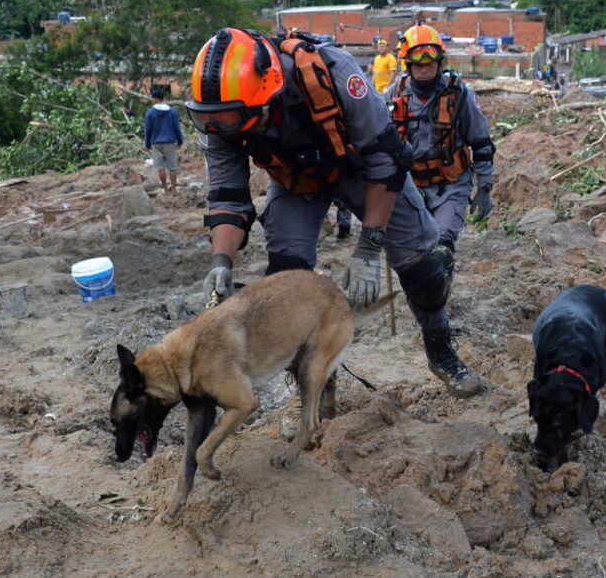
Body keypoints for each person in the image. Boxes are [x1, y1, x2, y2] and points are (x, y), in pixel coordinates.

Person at [185, 27, 484, 398]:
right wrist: (221, 262)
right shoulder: (222, 117)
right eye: (221, 122)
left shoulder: (335, 74)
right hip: (297, 181)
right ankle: (315, 385)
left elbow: (387, 161)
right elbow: (227, 196)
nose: (229, 129)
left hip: (364, 169)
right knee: (285, 286)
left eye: (239, 119)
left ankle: (441, 352)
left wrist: (370, 246)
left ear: (270, 90)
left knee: (422, 269)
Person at [384, 24, 495, 257]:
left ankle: (441, 284)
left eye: (430, 64)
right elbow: (376, 143)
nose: (424, 70)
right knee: (412, 254)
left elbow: (482, 144)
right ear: (408, 64)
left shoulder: (459, 95)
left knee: (441, 246)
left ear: (440, 62)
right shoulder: (393, 96)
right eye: (418, 65)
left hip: (450, 185)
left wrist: (484, 188)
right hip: (410, 187)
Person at [143, 87, 184, 193]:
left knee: (160, 168)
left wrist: (147, 144)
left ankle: (165, 189)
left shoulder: (150, 113)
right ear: (162, 98)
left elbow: (148, 130)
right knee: (172, 167)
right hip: (170, 142)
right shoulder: (172, 111)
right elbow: (177, 127)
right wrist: (180, 141)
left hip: (156, 143)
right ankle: (174, 189)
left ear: (155, 99)